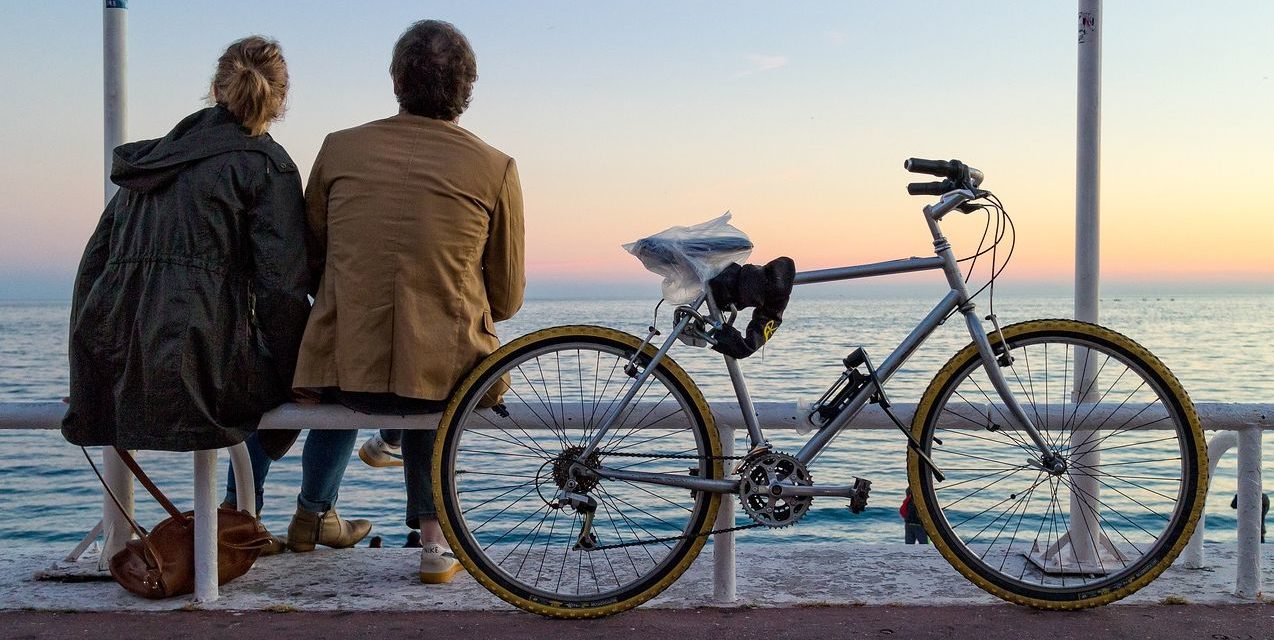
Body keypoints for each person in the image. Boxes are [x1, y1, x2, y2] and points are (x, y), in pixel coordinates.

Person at [291, 18, 524, 583]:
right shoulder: (495, 167)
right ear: (467, 88)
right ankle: (434, 546)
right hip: (437, 379)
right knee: (436, 374)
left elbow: (310, 256)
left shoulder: (339, 148)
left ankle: (307, 515)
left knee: (360, 359)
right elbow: (508, 296)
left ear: (396, 80)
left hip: (339, 370)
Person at [63, 37, 311, 550]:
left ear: (215, 88)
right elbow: (282, 293)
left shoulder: (152, 162)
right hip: (202, 372)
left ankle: (240, 514)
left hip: (119, 366)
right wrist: (301, 376)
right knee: (329, 382)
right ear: (281, 100)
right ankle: (278, 514)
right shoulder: (267, 166)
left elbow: (92, 272)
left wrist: (88, 373)